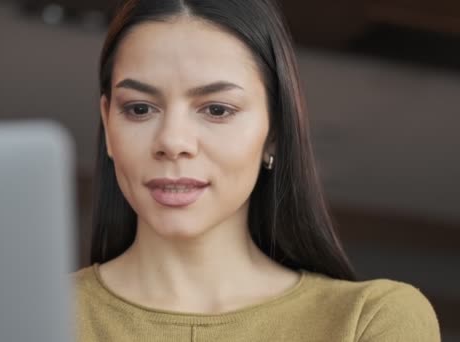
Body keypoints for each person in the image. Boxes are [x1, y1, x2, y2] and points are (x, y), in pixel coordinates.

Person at [72, 0, 441, 341]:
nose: (173, 141)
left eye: (217, 109)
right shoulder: (28, 318)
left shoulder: (369, 319)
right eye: (139, 109)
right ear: (107, 123)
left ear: (274, 132)